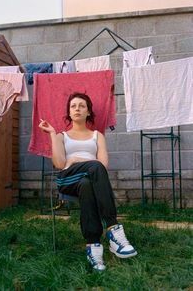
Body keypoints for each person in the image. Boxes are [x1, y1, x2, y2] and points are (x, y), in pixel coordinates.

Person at [39, 92, 137, 271]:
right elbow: (60, 164)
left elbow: (103, 165)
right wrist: (52, 134)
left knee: (87, 183)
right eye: (73, 106)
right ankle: (113, 229)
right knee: (93, 169)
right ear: (69, 112)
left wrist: (76, 160)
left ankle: (93, 247)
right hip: (68, 178)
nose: (77, 108)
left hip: (89, 179)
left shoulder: (97, 135)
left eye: (81, 106)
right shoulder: (62, 136)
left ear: (88, 112)